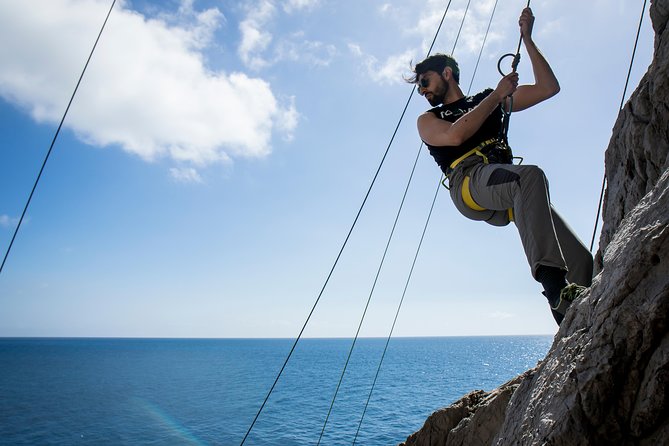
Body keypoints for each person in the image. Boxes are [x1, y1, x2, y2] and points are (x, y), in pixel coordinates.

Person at [408, 7, 593, 325]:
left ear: (447, 73)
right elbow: (454, 138)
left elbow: (548, 88)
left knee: (581, 262)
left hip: (506, 185)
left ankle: (573, 324)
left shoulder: (487, 99)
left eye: (425, 80)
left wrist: (528, 40)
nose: (422, 89)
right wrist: (496, 96)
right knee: (529, 177)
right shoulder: (430, 119)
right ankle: (554, 289)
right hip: (469, 183)